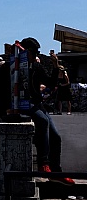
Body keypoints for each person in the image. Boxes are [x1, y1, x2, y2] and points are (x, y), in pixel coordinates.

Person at [10, 38, 67, 181]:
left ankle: (56, 172)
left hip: (36, 103)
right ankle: (43, 163)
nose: (35, 55)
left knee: (56, 136)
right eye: (33, 52)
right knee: (42, 121)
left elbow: (50, 83)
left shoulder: (36, 67)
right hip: (21, 104)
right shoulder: (13, 66)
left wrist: (55, 66)